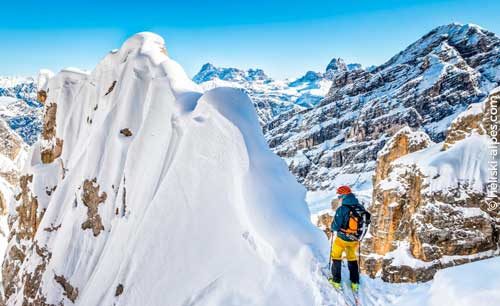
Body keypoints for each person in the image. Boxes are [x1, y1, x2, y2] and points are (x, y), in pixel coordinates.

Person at [329, 185, 365, 292]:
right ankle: (355, 283)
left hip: (342, 239)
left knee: (336, 256)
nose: (339, 198)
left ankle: (336, 281)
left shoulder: (342, 209)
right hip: (354, 239)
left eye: (339, 195)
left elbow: (335, 226)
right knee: (351, 257)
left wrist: (332, 226)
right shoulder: (360, 207)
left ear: (343, 196)